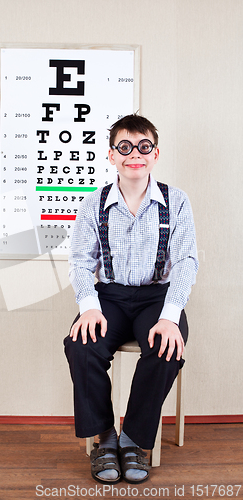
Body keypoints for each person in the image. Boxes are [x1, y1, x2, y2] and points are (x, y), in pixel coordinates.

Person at [64, 113, 198, 485]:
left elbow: (186, 262)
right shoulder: (94, 204)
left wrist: (171, 316)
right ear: (112, 155)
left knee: (166, 347)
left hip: (159, 297)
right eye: (125, 147)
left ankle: (134, 440)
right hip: (109, 296)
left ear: (155, 154)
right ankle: (104, 438)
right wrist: (88, 307)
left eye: (143, 147)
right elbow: (79, 261)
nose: (134, 154)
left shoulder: (177, 201)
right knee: (81, 344)